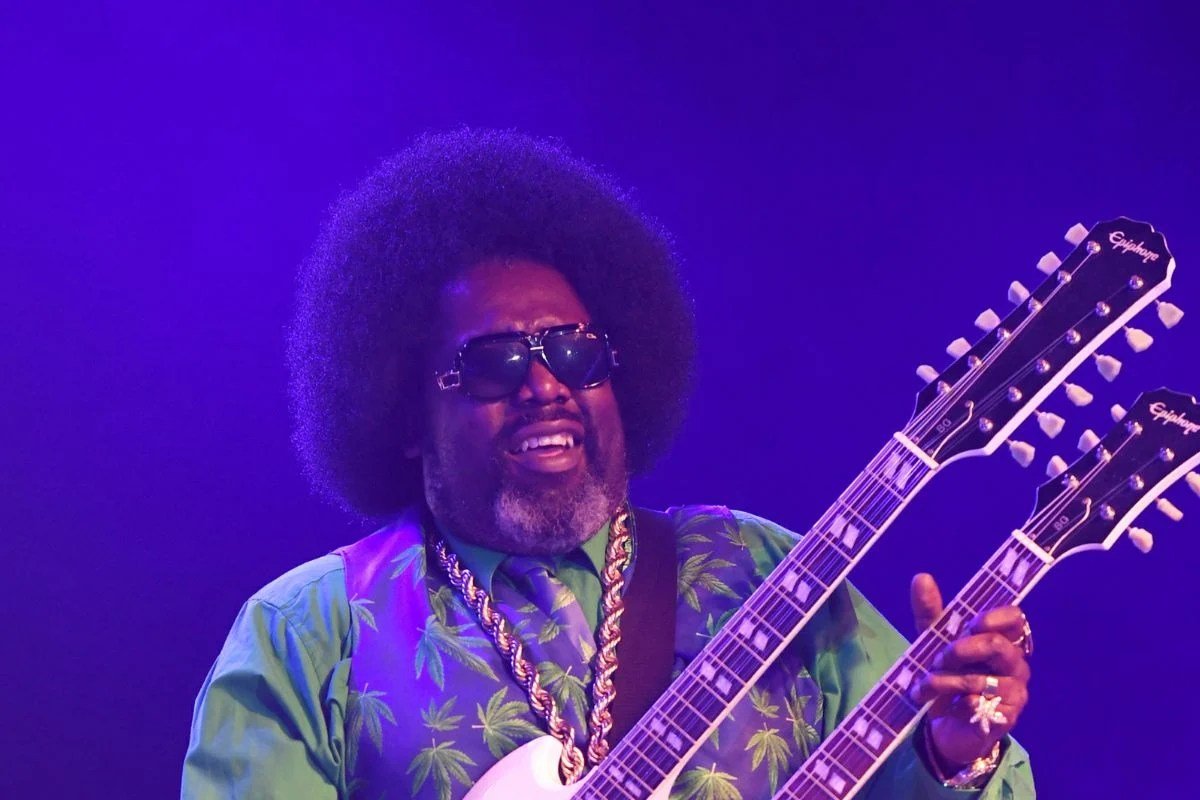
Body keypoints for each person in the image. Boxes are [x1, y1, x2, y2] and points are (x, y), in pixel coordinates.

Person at [182, 130, 1035, 799]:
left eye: (575, 352)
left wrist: (954, 753)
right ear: (407, 413)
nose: (546, 387)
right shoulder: (309, 631)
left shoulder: (762, 572)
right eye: (494, 364)